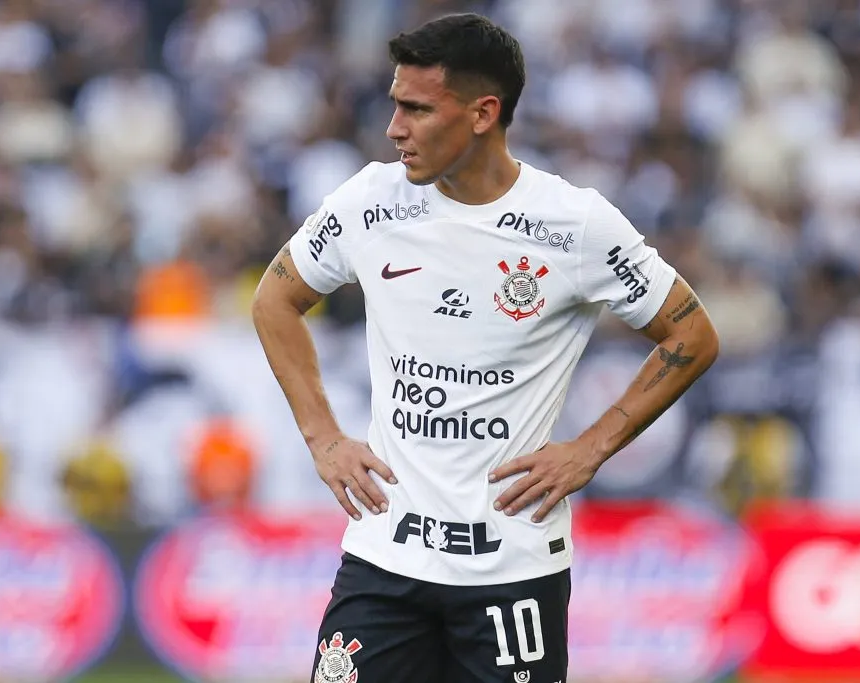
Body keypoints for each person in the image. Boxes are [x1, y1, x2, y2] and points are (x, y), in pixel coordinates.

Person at [252, 12, 719, 683]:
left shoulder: (572, 224)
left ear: (482, 113)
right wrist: (323, 436)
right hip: (387, 555)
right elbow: (274, 298)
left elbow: (693, 333)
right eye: (394, 105)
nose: (394, 129)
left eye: (416, 109)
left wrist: (589, 448)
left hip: (512, 566)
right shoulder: (370, 201)